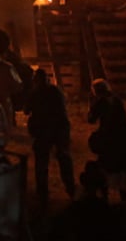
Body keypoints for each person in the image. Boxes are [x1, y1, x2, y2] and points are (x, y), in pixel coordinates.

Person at [25, 69, 76, 206]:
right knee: (64, 158)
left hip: (43, 130)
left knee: (42, 163)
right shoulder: (56, 91)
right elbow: (63, 107)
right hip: (59, 128)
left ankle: (43, 194)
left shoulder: (35, 93)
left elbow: (26, 110)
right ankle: (70, 188)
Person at [86, 78, 126, 201]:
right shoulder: (116, 100)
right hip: (123, 138)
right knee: (122, 168)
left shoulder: (102, 102)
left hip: (109, 139)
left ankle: (105, 197)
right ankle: (123, 198)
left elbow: (91, 119)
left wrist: (91, 105)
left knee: (106, 167)